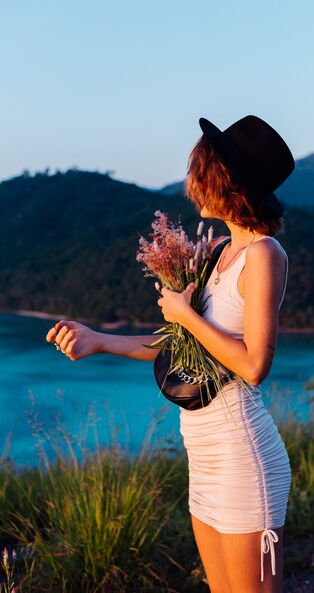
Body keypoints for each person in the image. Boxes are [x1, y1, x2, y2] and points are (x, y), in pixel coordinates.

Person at [46, 115, 293, 593]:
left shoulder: (265, 254)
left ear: (225, 181)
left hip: (244, 457)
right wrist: (97, 339)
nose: (190, 182)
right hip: (202, 456)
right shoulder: (218, 251)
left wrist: (187, 316)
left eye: (199, 170)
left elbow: (254, 365)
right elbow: (179, 347)